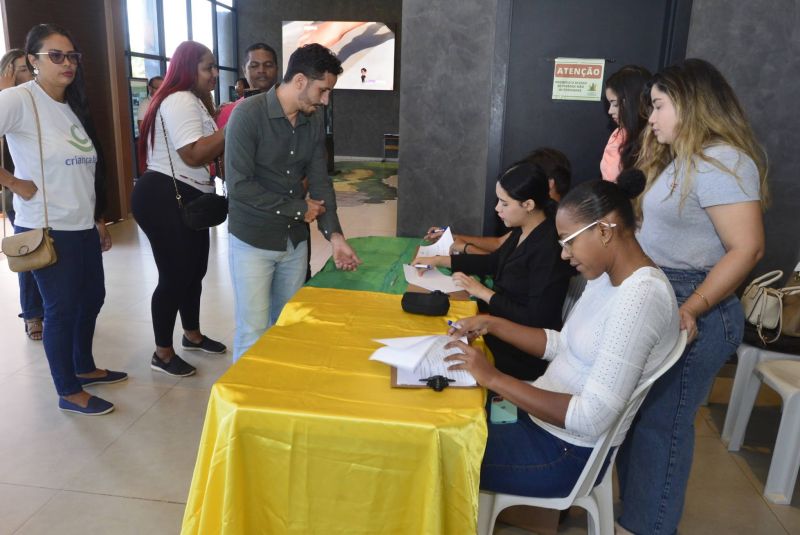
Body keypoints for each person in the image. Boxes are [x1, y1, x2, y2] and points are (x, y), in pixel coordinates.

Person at [445, 178, 680, 499]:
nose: (565, 255)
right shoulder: (606, 275)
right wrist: (492, 323)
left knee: (438, 451)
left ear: (604, 231)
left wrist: (493, 378)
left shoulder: (641, 298)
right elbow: (561, 345)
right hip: (537, 419)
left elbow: (591, 418)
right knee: (442, 415)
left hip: (563, 452)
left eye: (569, 242)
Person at [615, 59, 768, 535]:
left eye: (659, 105)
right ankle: (633, 518)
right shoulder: (677, 159)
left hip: (697, 301)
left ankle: (649, 526)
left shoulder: (726, 162)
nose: (652, 117)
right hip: (665, 295)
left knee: (664, 425)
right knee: (640, 420)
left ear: (691, 104)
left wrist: (692, 307)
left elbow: (747, 248)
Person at [0, 24, 126, 415]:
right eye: (56, 56)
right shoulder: (20, 99)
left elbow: (85, 172)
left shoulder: (71, 104)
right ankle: (68, 391)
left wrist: (98, 219)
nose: (67, 63)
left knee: (92, 298)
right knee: (61, 309)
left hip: (82, 224)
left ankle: (83, 366)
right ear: (33, 60)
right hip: (48, 227)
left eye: (72, 56)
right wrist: (13, 183)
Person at [225, 43, 362, 361]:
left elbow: (320, 182)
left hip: (294, 243)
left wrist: (335, 236)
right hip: (253, 241)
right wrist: (299, 208)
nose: (325, 100)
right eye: (323, 90)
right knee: (253, 331)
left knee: (287, 327)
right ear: (300, 80)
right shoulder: (247, 115)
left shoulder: (312, 121)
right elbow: (239, 186)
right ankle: (249, 393)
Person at [413, 162, 574, 379]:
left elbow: (535, 320)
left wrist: (483, 293)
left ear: (528, 204)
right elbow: (493, 262)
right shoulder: (524, 229)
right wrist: (440, 260)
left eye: (504, 203)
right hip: (497, 329)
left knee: (440, 358)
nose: (497, 208)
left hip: (519, 353)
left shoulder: (548, 249)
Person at [131, 41, 226, 377]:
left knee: (194, 271)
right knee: (174, 276)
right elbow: (194, 154)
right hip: (164, 196)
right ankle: (162, 353)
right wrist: (232, 127)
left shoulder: (194, 100)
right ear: (188, 69)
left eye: (215, 67)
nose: (214, 73)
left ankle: (192, 334)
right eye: (207, 67)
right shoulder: (180, 99)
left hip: (187, 196)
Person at [424, 147, 572, 255]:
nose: (498, 208)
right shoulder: (531, 218)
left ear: (549, 184)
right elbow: (500, 243)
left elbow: (503, 265)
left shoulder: (553, 229)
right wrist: (454, 237)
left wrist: (466, 248)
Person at [1, 48, 44, 341]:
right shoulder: (9, 102)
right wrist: (14, 183)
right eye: (22, 70)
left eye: (31, 69)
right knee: (29, 254)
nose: (30, 75)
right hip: (21, 194)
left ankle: (49, 309)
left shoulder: (42, 102)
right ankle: (32, 314)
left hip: (49, 195)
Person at [600, 65, 651, 183]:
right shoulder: (618, 135)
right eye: (609, 104)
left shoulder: (654, 140)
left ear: (631, 102)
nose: (610, 111)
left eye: (615, 104)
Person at [215, 42, 278, 130]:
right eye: (254, 66)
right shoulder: (228, 112)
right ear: (244, 71)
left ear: (277, 69)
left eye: (268, 65)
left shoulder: (290, 107)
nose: (261, 70)